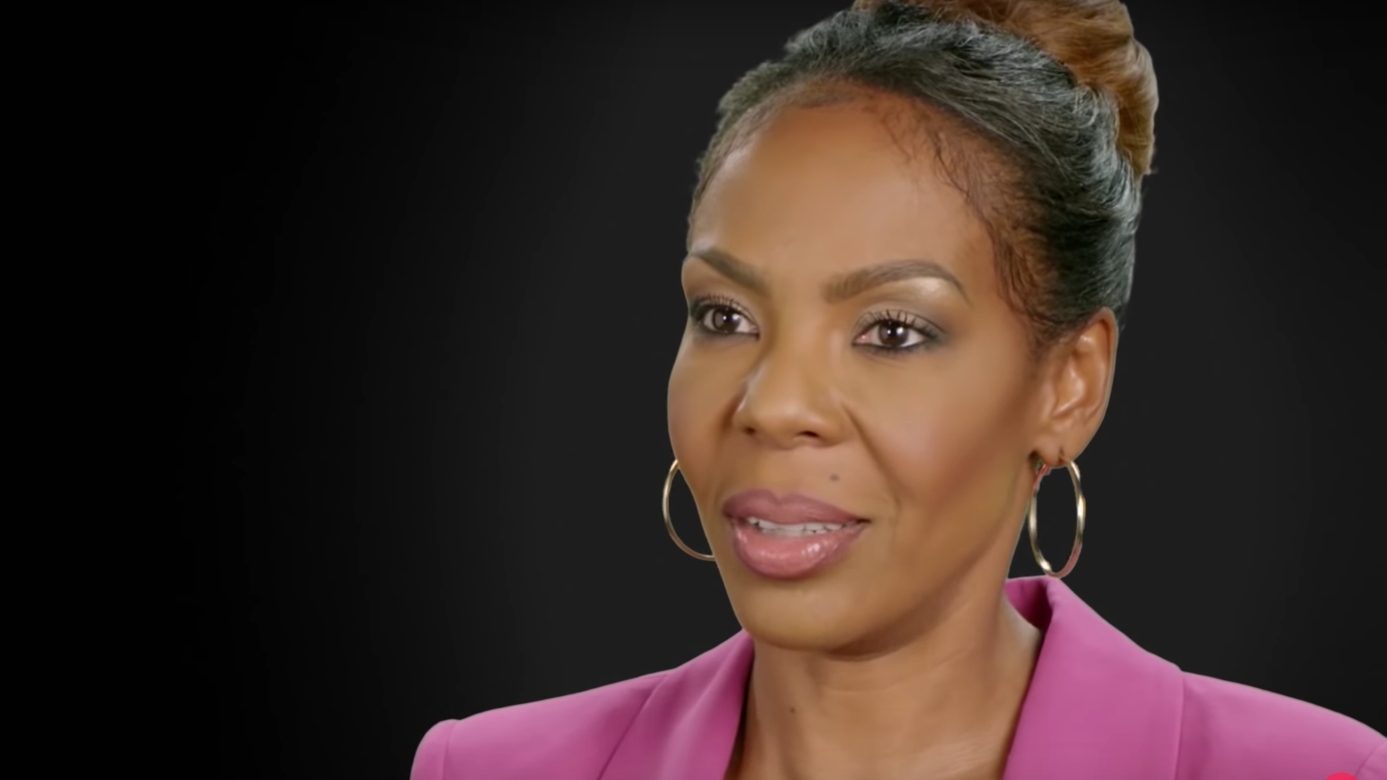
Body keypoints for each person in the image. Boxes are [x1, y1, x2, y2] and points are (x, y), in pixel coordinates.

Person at [410, 1, 1386, 778]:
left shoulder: (1319, 772)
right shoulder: (485, 770)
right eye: (726, 316)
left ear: (1069, 384)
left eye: (890, 331)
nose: (771, 404)